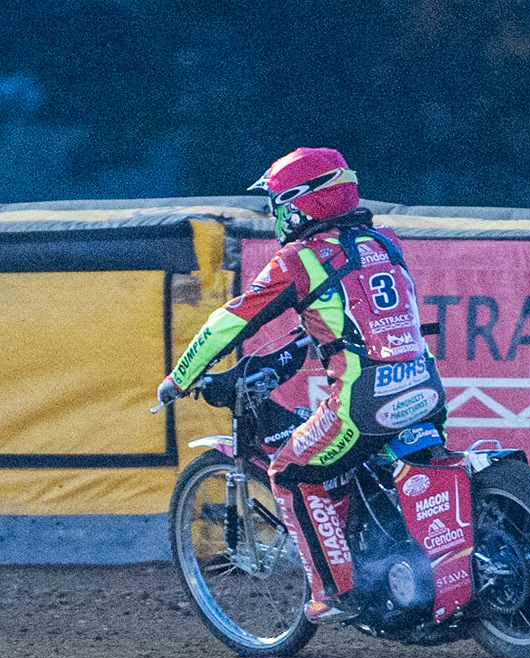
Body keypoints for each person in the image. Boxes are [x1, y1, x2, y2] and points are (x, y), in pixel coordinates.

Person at [158, 146, 447, 624]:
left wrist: (179, 376)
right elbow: (349, 317)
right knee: (370, 465)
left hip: (364, 401)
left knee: (290, 470)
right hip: (425, 387)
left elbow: (230, 322)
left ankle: (335, 590)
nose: (277, 215)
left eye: (278, 204)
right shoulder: (384, 242)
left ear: (299, 204)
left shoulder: (299, 259)